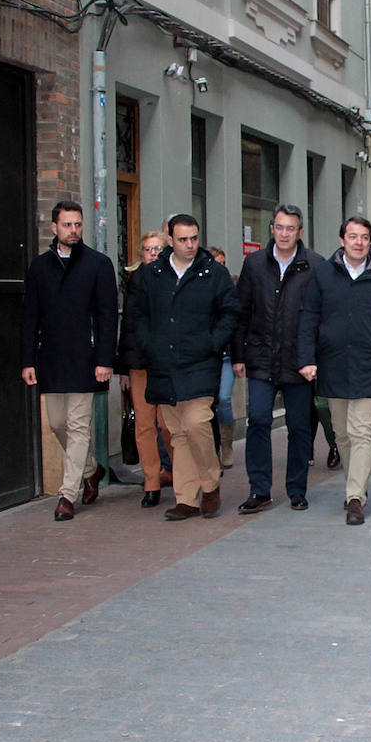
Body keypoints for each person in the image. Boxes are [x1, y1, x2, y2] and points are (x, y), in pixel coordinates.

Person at [131, 214, 239, 521]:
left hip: (201, 362)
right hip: (164, 364)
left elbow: (231, 312)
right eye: (183, 240)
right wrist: (149, 343)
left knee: (196, 423)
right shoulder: (153, 274)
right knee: (178, 432)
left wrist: (212, 342)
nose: (190, 245)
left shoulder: (213, 272)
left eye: (194, 238)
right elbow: (138, 315)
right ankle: (187, 498)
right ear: (170, 240)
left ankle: (211, 481)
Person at [297, 216, 371, 525]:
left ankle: (355, 496)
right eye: (353, 236)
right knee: (342, 433)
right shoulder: (322, 275)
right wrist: (308, 358)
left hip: (370, 364)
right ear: (342, 239)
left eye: (365, 237)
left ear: (370, 241)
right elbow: (308, 318)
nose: (359, 242)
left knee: (362, 432)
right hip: (334, 364)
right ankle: (353, 484)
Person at [20, 200, 118, 521]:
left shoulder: (98, 264)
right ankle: (91, 469)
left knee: (78, 426)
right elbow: (29, 316)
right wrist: (27, 360)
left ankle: (67, 495)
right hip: (50, 360)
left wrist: (105, 359)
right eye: (67, 225)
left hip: (85, 360)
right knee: (57, 423)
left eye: (78, 225)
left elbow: (107, 317)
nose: (74, 231)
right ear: (54, 228)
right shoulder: (39, 267)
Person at [231, 205, 324, 514]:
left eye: (291, 228)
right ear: (272, 228)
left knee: (299, 427)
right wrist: (239, 354)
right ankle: (259, 489)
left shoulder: (314, 266)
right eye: (280, 227)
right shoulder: (255, 264)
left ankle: (297, 489)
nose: (284, 234)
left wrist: (313, 358)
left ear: (300, 232)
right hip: (260, 356)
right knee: (258, 419)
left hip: (298, 360)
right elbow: (241, 312)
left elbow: (320, 316)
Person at [116, 231, 174, 507]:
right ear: (140, 254)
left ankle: (179, 472)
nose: (153, 253)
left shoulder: (174, 279)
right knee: (144, 424)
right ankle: (151, 482)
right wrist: (124, 369)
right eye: (148, 249)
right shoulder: (135, 281)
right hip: (139, 364)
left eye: (158, 248)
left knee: (169, 424)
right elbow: (127, 326)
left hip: (166, 363)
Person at [208, 246, 237, 468]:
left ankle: (227, 443)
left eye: (223, 263)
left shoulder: (231, 289)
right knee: (208, 404)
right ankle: (213, 450)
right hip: (206, 357)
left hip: (227, 356)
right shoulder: (200, 287)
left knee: (224, 398)